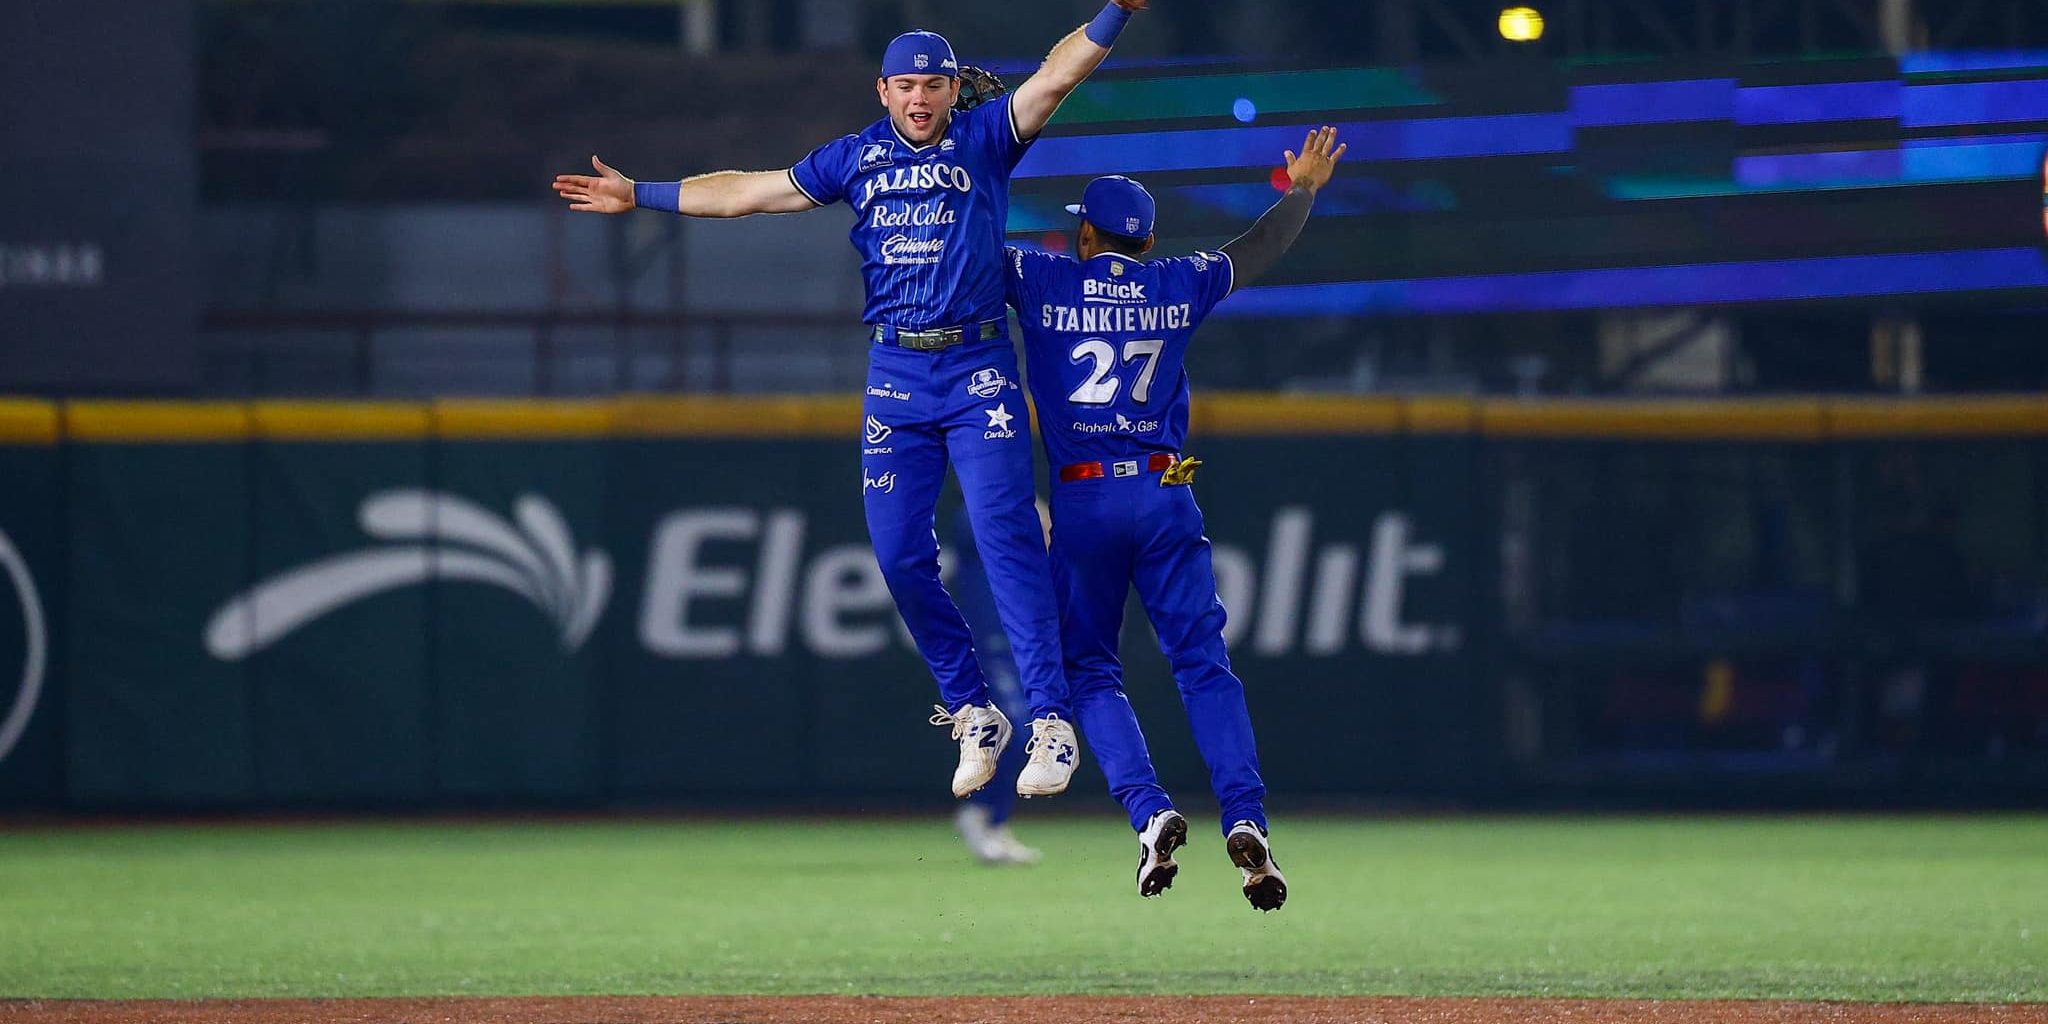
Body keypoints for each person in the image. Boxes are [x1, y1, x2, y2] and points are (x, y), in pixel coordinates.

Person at [552, 3, 1153, 801]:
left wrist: (1116, 11)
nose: (919, 98)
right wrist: (643, 193)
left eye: (933, 85)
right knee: (899, 555)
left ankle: (1049, 719)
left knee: (1007, 539)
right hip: (897, 375)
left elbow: (1058, 73)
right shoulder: (854, 158)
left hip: (976, 366)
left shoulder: (985, 139)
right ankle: (974, 709)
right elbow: (749, 192)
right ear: (882, 91)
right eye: (905, 85)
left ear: (949, 91)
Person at [1002, 128, 1347, 911]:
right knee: (1202, 664)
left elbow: (971, 242)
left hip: (1086, 497)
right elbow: (1258, 247)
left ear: (1084, 234)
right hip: (1165, 488)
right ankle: (1247, 817)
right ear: (1148, 238)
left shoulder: (1044, 275)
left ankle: (1149, 810)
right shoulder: (1174, 282)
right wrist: (1304, 190)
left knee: (1088, 668)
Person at [946, 502, 1046, 866]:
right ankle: (977, 814)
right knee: (1014, 729)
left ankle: (996, 823)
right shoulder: (977, 511)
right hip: (985, 644)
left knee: (1036, 732)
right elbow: (983, 528)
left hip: (1022, 645)